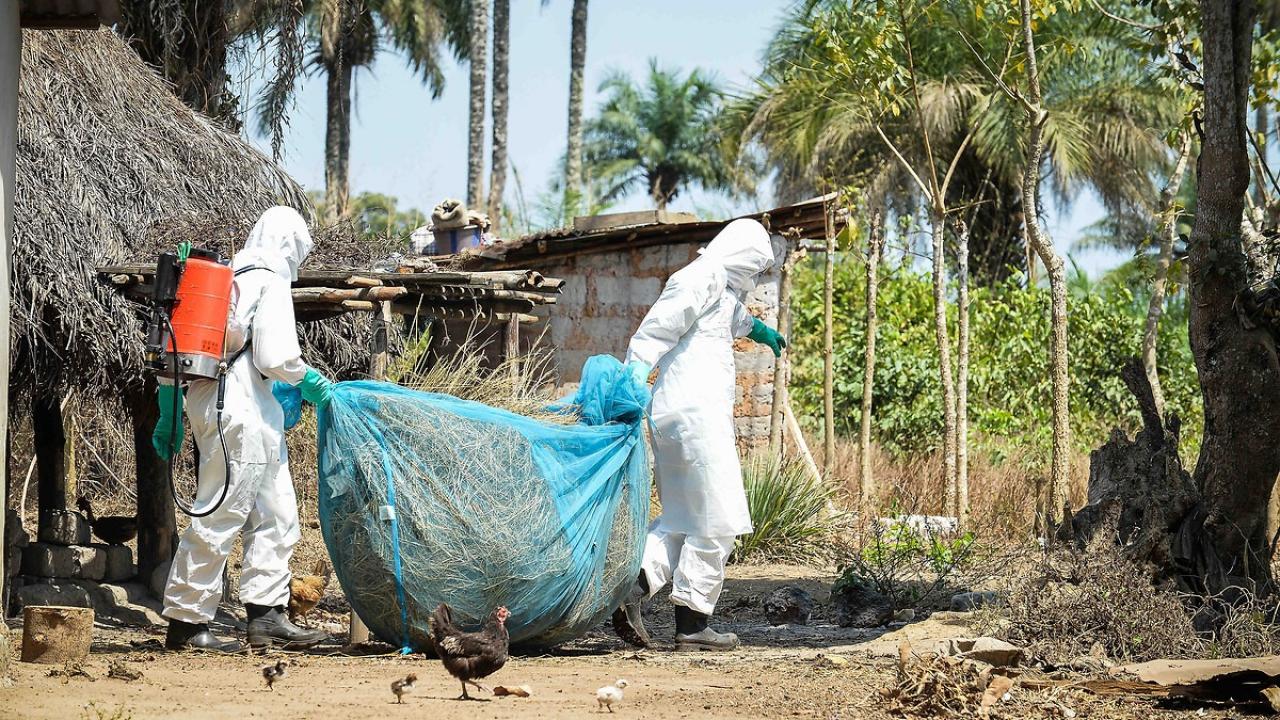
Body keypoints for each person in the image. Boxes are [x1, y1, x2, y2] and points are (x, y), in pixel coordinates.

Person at [152, 206, 335, 652]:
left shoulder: (226, 278)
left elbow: (179, 349)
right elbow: (275, 357)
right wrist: (309, 380)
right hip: (239, 410)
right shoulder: (269, 279)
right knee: (220, 513)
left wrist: (169, 414)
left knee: (277, 513)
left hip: (236, 408)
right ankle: (186, 621)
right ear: (291, 246)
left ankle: (267, 615)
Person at [615, 218, 786, 651]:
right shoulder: (701, 276)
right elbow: (659, 326)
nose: (753, 278)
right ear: (741, 255)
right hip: (695, 416)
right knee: (720, 519)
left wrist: (763, 332)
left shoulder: (719, 286)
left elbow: (737, 319)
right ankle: (693, 625)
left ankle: (630, 588)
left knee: (683, 518)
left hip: (680, 417)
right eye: (754, 267)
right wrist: (636, 368)